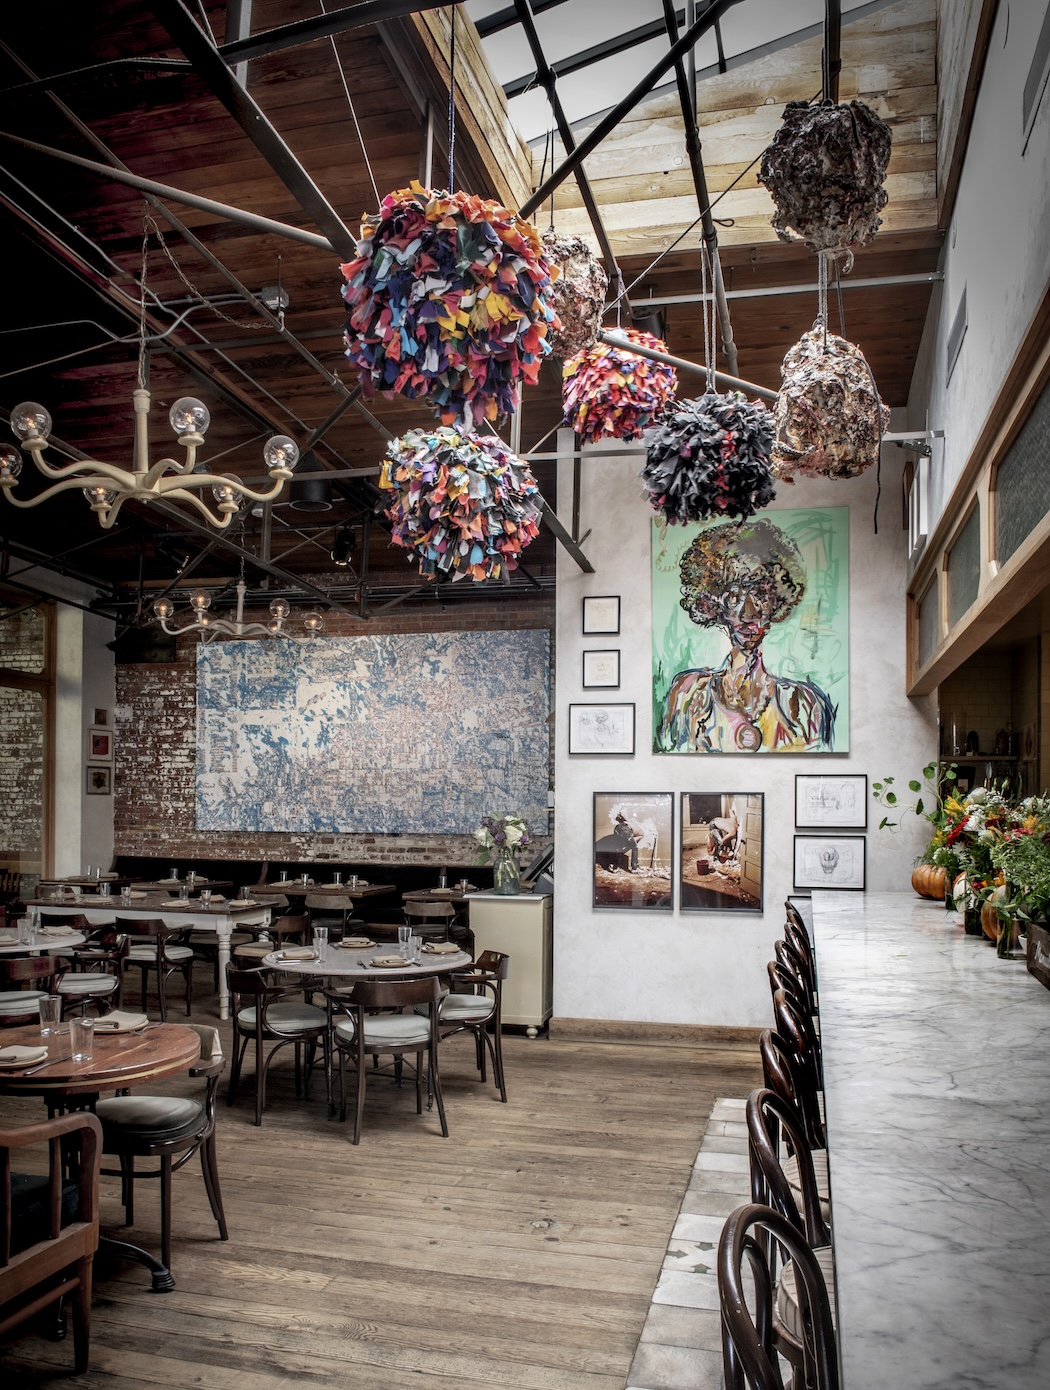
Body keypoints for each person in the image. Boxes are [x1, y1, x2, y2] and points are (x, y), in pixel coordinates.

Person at [658, 518, 836, 753]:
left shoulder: (805, 705)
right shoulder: (688, 695)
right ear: (712, 601)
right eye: (734, 595)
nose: (748, 612)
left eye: (760, 593)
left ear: (778, 599)